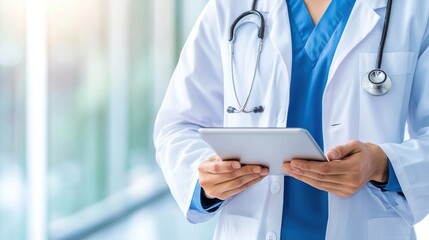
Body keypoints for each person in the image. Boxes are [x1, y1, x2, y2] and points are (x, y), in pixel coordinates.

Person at [153, 0, 429, 239]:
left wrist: (382, 165)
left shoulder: (413, 9)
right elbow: (178, 126)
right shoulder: (231, 7)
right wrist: (205, 176)